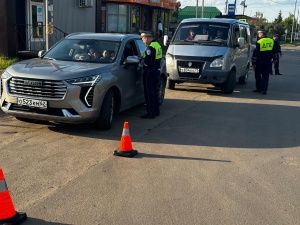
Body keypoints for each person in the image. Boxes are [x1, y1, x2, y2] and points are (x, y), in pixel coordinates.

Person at [139, 30, 162, 119]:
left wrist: (141, 60)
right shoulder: (157, 45)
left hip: (149, 72)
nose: (142, 40)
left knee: (149, 93)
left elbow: (147, 63)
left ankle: (150, 113)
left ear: (147, 38)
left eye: (142, 38)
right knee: (154, 92)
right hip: (156, 71)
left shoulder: (150, 48)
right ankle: (156, 111)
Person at [251, 29, 277, 95]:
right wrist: (275, 59)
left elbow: (255, 53)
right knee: (265, 76)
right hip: (268, 61)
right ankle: (264, 90)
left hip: (259, 61)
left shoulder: (259, 42)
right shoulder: (271, 41)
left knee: (257, 75)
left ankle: (259, 89)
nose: (258, 35)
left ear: (262, 34)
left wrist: (253, 63)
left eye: (259, 34)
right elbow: (274, 51)